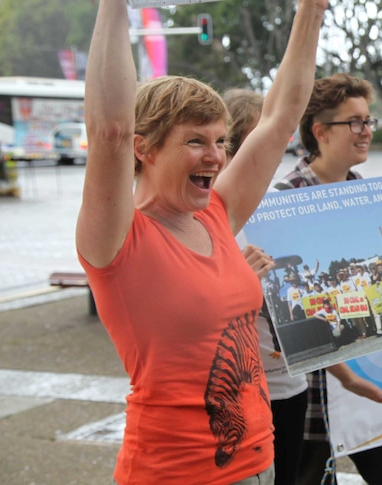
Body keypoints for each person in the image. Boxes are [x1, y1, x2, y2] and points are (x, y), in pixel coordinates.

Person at [76, 0, 325, 483]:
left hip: (259, 460)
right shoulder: (119, 241)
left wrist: (310, 11)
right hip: (177, 472)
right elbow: (109, 130)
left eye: (220, 141)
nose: (215, 156)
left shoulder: (216, 214)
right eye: (195, 141)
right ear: (143, 148)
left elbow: (281, 117)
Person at [274, 73, 382, 485]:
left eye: (368, 121)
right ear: (320, 131)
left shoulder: (366, 195)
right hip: (312, 392)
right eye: (355, 122)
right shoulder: (283, 201)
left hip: (369, 377)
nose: (367, 131)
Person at [224, 88, 310, 485]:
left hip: (292, 382)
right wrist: (240, 278)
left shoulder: (280, 202)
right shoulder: (214, 211)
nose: (277, 147)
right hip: (248, 393)